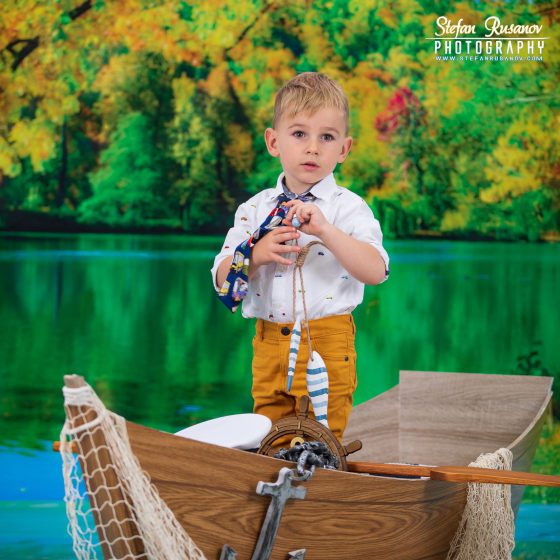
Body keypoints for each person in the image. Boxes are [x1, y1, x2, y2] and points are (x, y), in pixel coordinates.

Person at [211, 72, 389, 442]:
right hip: (269, 345)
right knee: (269, 437)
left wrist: (326, 231)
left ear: (344, 149)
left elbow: (376, 270)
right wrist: (255, 255)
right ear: (273, 142)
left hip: (326, 343)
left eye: (327, 137)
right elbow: (222, 281)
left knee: (322, 440)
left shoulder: (348, 208)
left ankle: (320, 475)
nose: (313, 148)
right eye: (299, 134)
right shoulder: (254, 209)